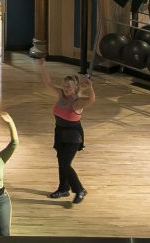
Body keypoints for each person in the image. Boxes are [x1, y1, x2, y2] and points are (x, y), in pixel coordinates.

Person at [39, 58, 95, 204]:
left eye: (69, 87)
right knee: (61, 162)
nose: (65, 88)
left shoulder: (77, 102)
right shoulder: (60, 95)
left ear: (75, 88)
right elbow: (48, 84)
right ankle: (63, 188)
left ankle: (80, 189)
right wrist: (43, 67)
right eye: (64, 86)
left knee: (65, 164)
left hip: (73, 136)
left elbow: (91, 100)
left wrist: (90, 87)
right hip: (60, 133)